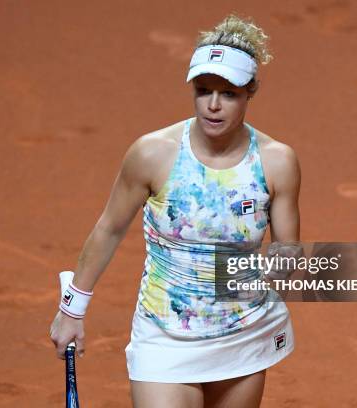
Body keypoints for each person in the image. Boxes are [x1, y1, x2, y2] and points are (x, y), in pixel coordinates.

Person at [50, 14, 301, 408]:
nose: (213, 106)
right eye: (204, 91)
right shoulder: (153, 153)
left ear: (251, 91)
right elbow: (109, 229)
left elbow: (287, 250)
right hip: (165, 337)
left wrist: (277, 268)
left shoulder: (277, 162)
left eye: (229, 94)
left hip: (242, 333)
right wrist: (72, 310)